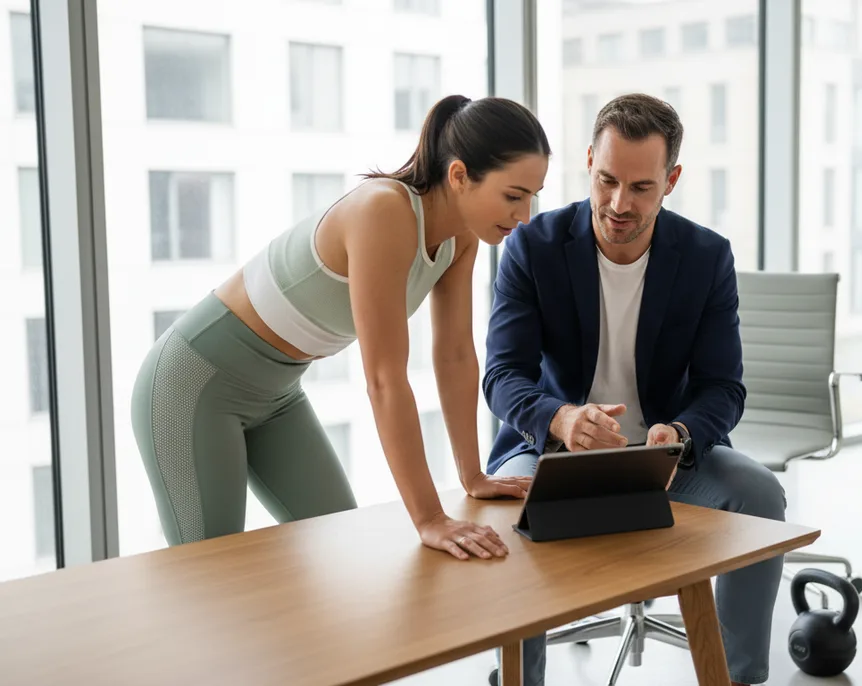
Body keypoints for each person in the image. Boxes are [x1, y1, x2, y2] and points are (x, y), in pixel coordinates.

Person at [131, 95, 550, 561]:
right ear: (458, 176)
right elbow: (385, 380)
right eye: (513, 196)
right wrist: (430, 518)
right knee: (206, 571)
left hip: (277, 395)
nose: (525, 216)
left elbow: (454, 356)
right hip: (194, 382)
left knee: (334, 544)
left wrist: (472, 476)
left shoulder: (461, 238)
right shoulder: (384, 211)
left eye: (532, 197)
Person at [483, 93, 787, 686]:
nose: (619, 204)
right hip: (551, 449)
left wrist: (681, 435)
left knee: (760, 495)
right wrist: (562, 419)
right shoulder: (533, 246)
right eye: (607, 180)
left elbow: (723, 387)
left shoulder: (706, 257)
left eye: (642, 187)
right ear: (588, 162)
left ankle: (737, 677)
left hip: (665, 459)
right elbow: (502, 376)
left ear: (671, 180)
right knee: (509, 513)